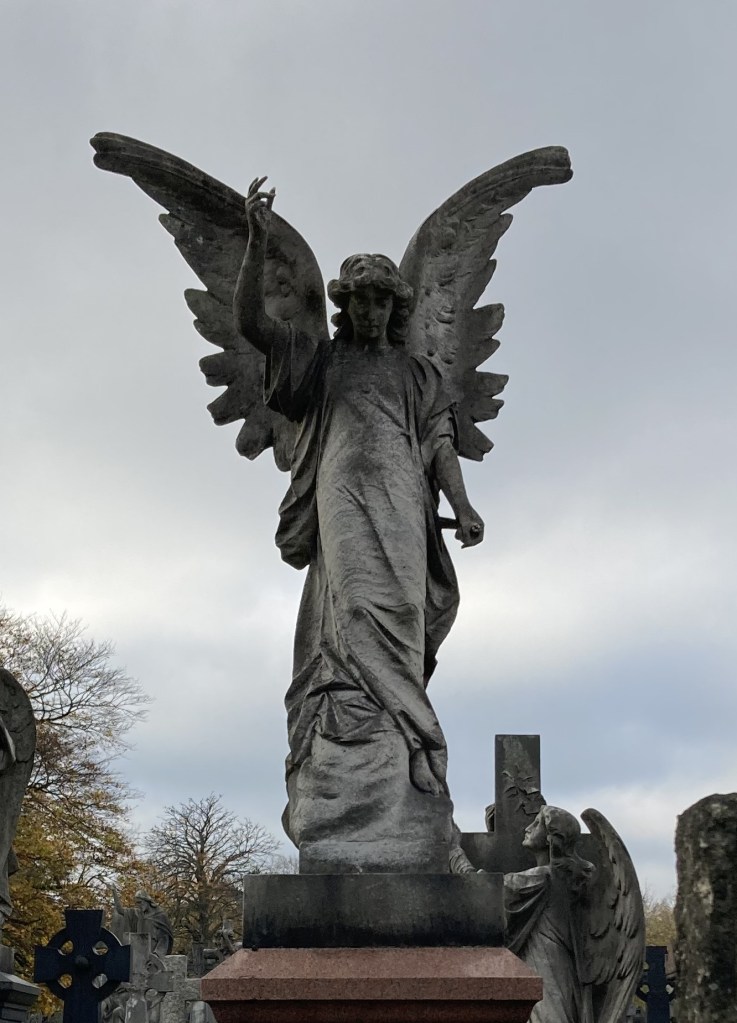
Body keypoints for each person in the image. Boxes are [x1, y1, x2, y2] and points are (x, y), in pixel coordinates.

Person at [235, 180, 484, 841]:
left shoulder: (418, 375)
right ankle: (355, 769)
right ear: (344, 306)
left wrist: (460, 503)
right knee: (350, 613)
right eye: (360, 300)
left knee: (404, 619)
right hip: (340, 497)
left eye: (381, 299)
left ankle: (408, 756)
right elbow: (256, 327)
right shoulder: (320, 362)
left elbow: (437, 443)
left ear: (393, 306)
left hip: (404, 502)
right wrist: (257, 244)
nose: (370, 309)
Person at [504, 807, 595, 1023]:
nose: (527, 828)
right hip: (556, 970)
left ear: (550, 839)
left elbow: (487, 891)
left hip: (547, 970)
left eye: (536, 824)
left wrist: (453, 854)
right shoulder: (564, 880)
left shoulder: (543, 879)